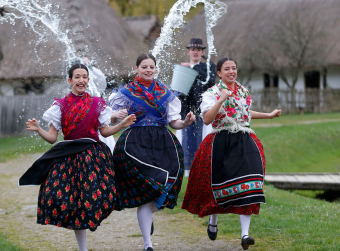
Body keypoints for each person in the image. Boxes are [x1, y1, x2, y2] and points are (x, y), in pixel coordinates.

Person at [19, 63, 136, 251]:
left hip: (93, 157)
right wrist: (38, 129)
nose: (81, 80)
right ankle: (83, 248)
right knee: (71, 201)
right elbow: (52, 138)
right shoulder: (60, 105)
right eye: (77, 77)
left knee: (102, 196)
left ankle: (92, 221)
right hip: (69, 158)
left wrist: (121, 125)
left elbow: (105, 132)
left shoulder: (98, 103)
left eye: (84, 77)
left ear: (88, 80)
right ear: (70, 80)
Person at [181, 57, 281, 250]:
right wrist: (221, 99)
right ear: (219, 73)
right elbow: (208, 119)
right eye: (227, 69)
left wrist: (267, 115)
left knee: (251, 182)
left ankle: (245, 235)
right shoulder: (211, 93)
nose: (231, 72)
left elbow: (244, 112)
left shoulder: (243, 91)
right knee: (218, 185)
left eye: (234, 68)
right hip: (221, 140)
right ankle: (213, 220)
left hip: (243, 139)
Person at [109, 53, 195, 251]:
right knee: (151, 188)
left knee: (169, 180)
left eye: (151, 67)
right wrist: (118, 116)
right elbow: (111, 118)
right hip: (136, 143)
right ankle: (148, 243)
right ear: (137, 68)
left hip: (162, 141)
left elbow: (175, 122)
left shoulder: (166, 92)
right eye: (144, 67)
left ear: (156, 69)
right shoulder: (125, 92)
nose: (148, 70)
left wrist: (186, 122)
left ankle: (148, 215)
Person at [176, 38, 216, 175]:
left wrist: (192, 68)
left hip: (203, 111)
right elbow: (179, 92)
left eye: (198, 50)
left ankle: (203, 169)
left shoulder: (207, 69)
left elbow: (210, 79)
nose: (195, 52)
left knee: (203, 138)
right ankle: (187, 171)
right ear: (188, 51)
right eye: (193, 49)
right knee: (186, 140)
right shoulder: (182, 69)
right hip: (187, 111)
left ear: (202, 52)